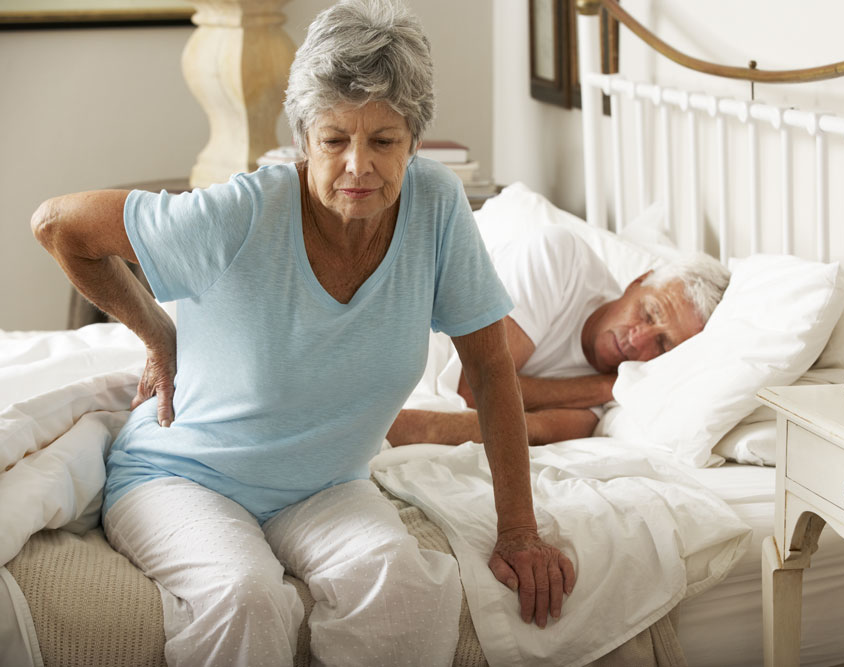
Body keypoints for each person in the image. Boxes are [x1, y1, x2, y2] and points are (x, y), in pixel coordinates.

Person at [30, 1, 574, 665]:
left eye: (384, 141)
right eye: (335, 139)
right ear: (303, 139)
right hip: (182, 476)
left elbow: (490, 369)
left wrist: (520, 527)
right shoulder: (238, 213)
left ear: (415, 141)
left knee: (403, 587)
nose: (358, 167)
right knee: (244, 594)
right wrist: (155, 330)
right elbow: (57, 223)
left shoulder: (436, 206)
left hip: (327, 483)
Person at [387, 225, 729, 447]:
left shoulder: (632, 391)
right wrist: (602, 387)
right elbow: (478, 387)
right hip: (394, 329)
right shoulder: (561, 260)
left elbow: (527, 433)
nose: (637, 341)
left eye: (663, 344)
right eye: (649, 313)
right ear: (638, 281)